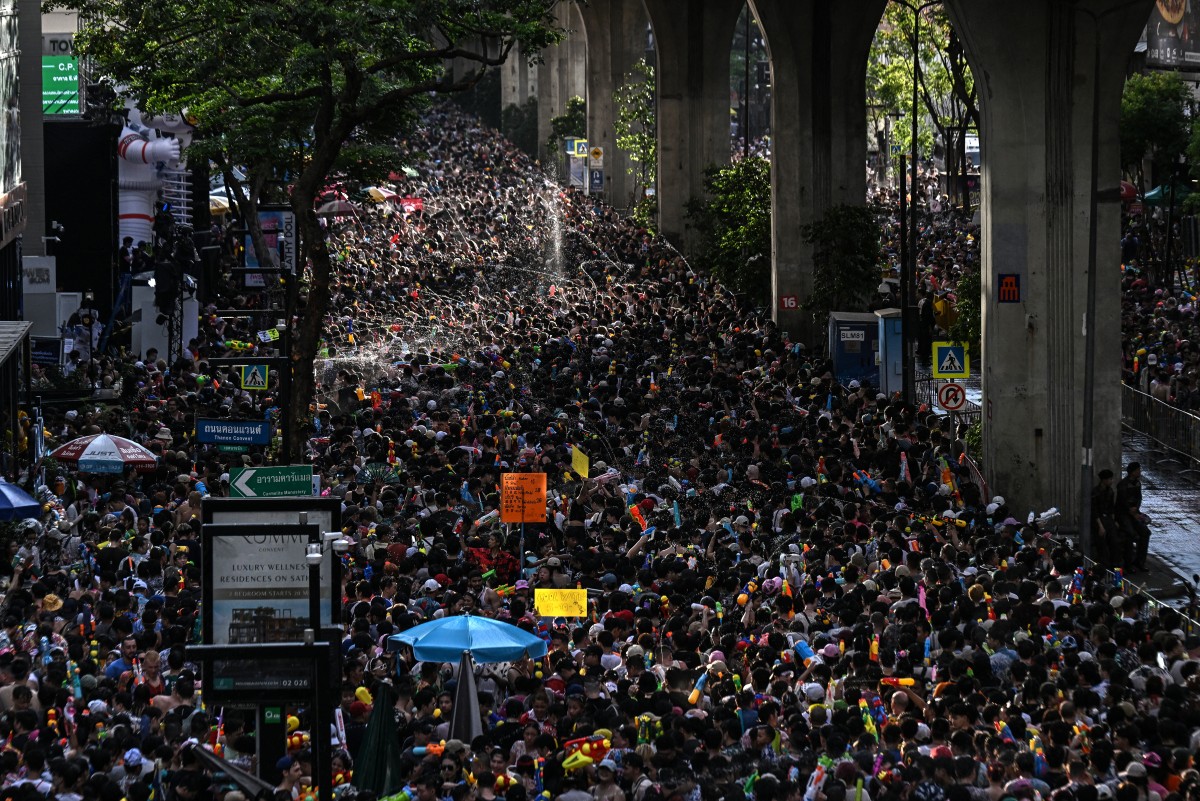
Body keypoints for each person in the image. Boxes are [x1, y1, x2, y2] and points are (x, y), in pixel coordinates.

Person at [1116, 462, 1151, 572]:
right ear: (1132, 472)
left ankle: (1140, 562)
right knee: (1130, 534)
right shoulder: (1123, 484)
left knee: (1145, 533)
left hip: (1134, 513)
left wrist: (1136, 509)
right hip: (1123, 514)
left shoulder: (1137, 483)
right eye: (1138, 470)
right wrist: (1130, 510)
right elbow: (1122, 501)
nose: (1139, 472)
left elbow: (1139, 498)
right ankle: (1128, 563)